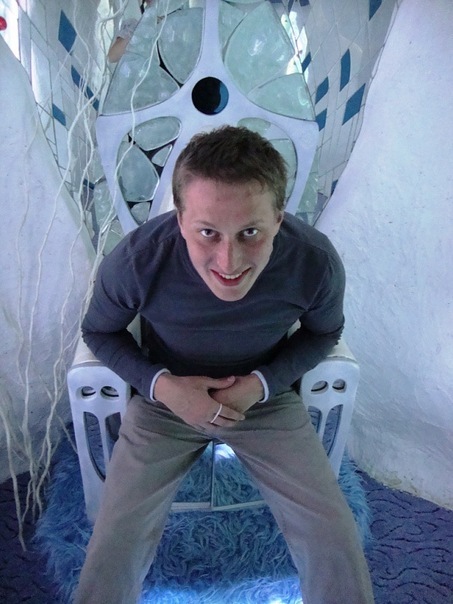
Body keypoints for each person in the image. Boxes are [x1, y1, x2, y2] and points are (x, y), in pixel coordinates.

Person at [74, 126, 374, 604]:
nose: (228, 260)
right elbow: (98, 331)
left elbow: (324, 332)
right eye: (207, 232)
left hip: (263, 399)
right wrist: (164, 387)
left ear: (278, 219)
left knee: (332, 532)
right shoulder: (137, 260)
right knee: (114, 540)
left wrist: (260, 384)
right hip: (167, 399)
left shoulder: (314, 262)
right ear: (180, 220)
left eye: (250, 232)